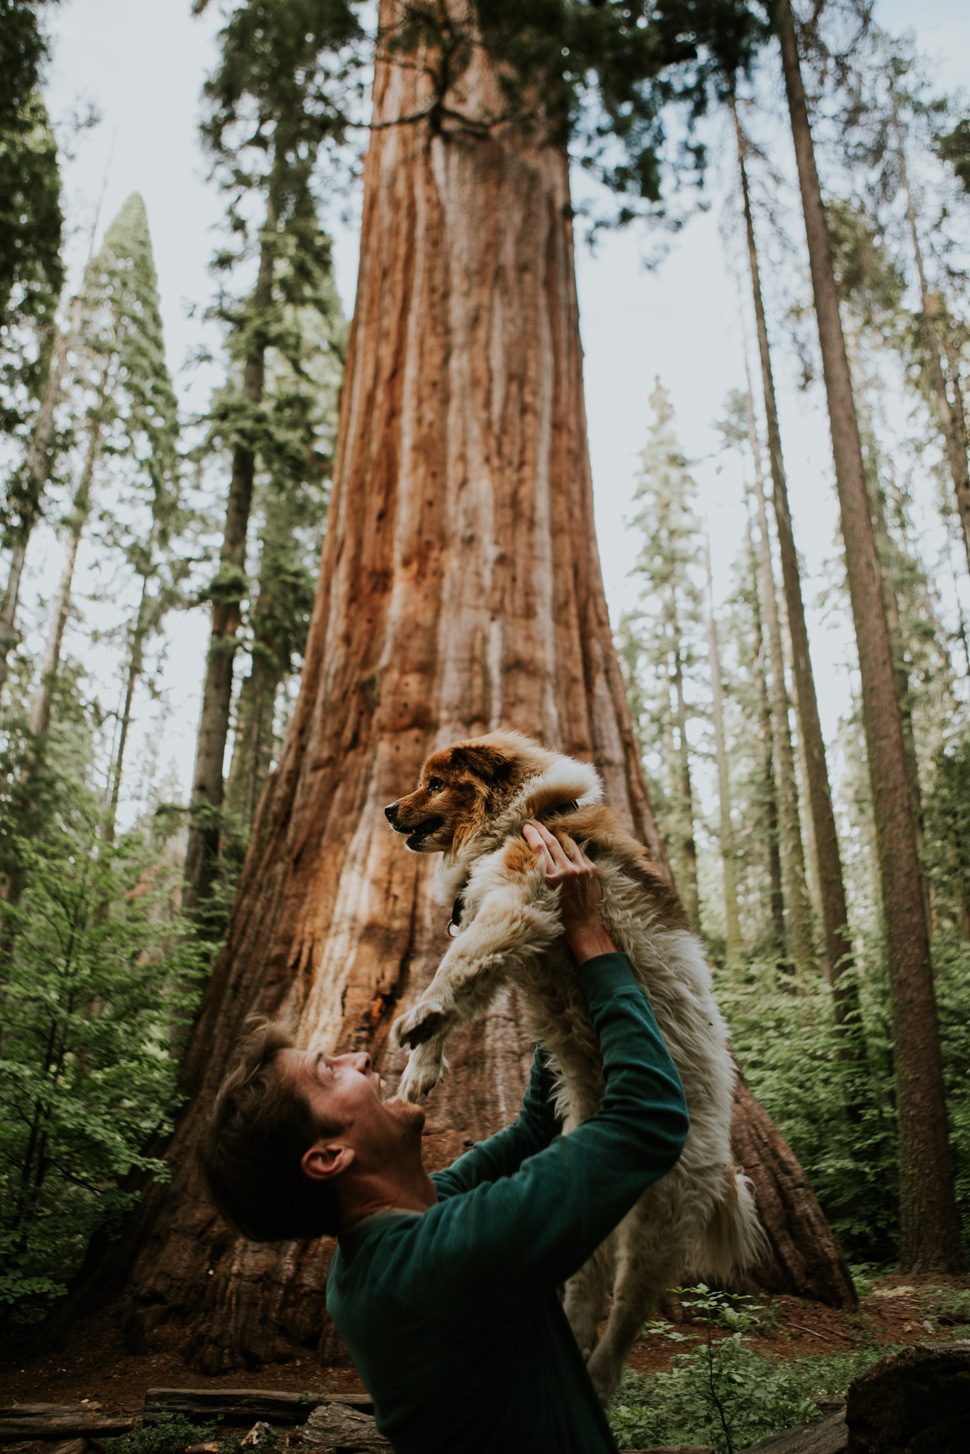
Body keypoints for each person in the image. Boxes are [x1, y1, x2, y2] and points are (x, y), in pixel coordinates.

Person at [199, 821, 689, 1453]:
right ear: (327, 1156)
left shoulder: (391, 1241)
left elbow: (538, 1128)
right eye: (330, 1071)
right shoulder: (440, 1261)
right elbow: (646, 1119)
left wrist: (545, 955)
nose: (361, 1060)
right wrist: (592, 938)